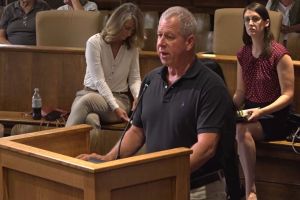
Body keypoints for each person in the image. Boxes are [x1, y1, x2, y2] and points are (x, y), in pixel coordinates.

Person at [77, 6, 240, 200]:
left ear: (189, 42)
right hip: (160, 186)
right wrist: (108, 159)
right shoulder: (151, 80)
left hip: (198, 190)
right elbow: (137, 131)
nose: (161, 43)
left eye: (169, 37)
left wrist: (164, 175)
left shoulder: (210, 86)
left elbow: (206, 148)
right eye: (159, 35)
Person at [233, 2, 294, 200]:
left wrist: (261, 111)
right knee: (218, 126)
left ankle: (250, 191)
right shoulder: (242, 54)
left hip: (274, 115)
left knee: (242, 130)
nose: (250, 23)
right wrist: (225, 110)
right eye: (247, 19)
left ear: (266, 23)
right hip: (250, 111)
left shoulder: (279, 54)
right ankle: (230, 187)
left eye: (255, 19)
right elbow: (241, 92)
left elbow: (288, 94)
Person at [65, 3, 144, 131]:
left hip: (119, 99)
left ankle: (58, 145)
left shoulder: (132, 48)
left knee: (87, 101)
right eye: (126, 28)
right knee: (91, 119)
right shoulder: (94, 42)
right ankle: (85, 151)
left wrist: (137, 97)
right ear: (116, 23)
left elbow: (134, 79)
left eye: (133, 30)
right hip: (88, 93)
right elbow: (98, 80)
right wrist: (115, 108)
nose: (129, 33)